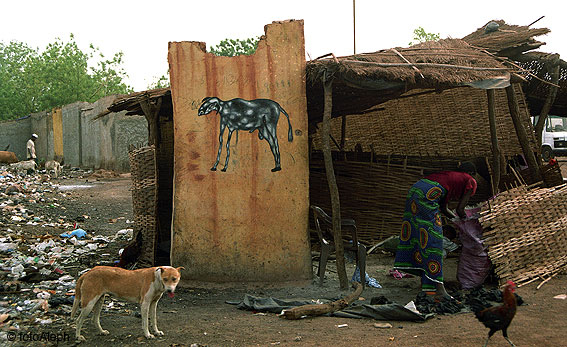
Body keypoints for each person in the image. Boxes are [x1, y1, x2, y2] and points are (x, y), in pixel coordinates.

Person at [393, 161, 477, 299]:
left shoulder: (448, 177)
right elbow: (460, 209)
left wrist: (455, 221)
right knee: (434, 241)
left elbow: (445, 209)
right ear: (473, 174)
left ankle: (427, 282)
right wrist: (468, 223)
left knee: (420, 238)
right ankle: (439, 289)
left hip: (415, 190)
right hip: (427, 196)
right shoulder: (470, 180)